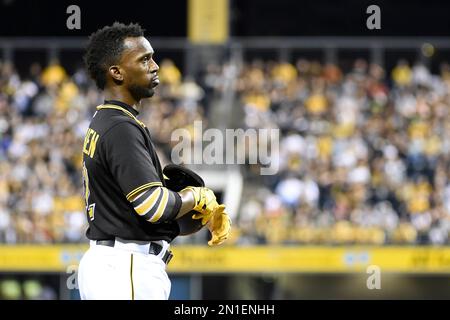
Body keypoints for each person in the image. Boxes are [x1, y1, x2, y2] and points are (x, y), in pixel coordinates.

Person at [77, 22, 231, 300]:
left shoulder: (108, 120)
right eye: (144, 59)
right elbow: (152, 205)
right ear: (116, 72)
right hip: (127, 267)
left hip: (115, 263)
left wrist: (190, 217)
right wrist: (195, 197)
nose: (155, 65)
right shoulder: (121, 127)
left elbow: (136, 213)